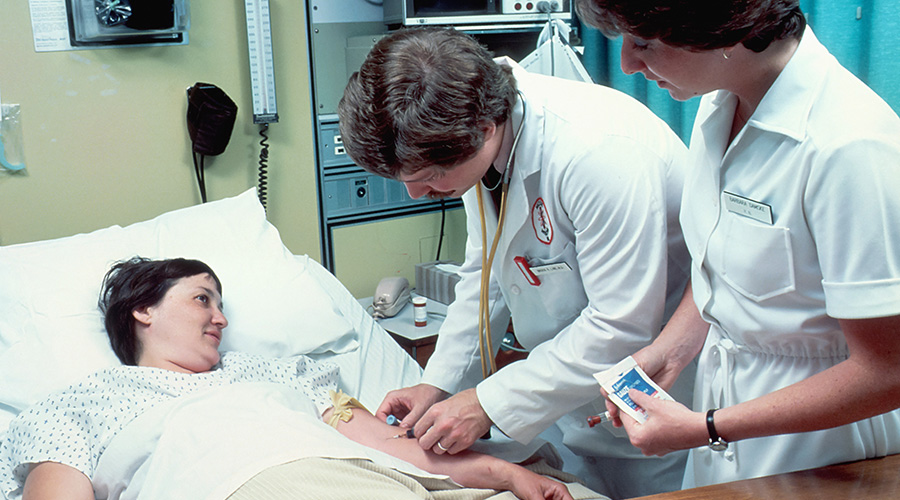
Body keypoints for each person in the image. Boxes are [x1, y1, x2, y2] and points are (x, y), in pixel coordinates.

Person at [338, 27, 693, 499]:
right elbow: (485, 276)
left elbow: (620, 324)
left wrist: (487, 402)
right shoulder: (475, 139)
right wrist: (439, 384)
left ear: (483, 131)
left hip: (656, 402)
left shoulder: (598, 152)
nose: (416, 194)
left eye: (427, 178)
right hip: (567, 396)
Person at [575, 0, 900, 489]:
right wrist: (671, 350)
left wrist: (706, 427)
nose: (627, 65)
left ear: (722, 27)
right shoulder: (719, 101)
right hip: (728, 416)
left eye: (643, 43)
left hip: (824, 443)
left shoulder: (848, 148)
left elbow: (887, 372)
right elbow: (722, 265)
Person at [0, 257, 575, 500]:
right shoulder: (77, 403)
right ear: (142, 310)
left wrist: (504, 473)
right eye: (203, 299)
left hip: (365, 480)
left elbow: (389, 447)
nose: (221, 317)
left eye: (221, 303)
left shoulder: (285, 374)